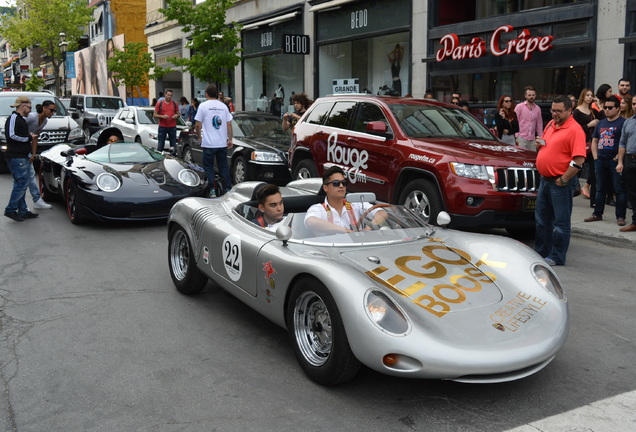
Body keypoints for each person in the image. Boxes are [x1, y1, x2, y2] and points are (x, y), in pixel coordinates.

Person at [534, 95, 586, 266]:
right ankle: (542, 252)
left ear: (569, 110)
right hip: (545, 180)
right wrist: (539, 145)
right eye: (552, 110)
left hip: (559, 182)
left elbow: (578, 160)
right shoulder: (550, 124)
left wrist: (564, 180)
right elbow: (547, 145)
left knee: (561, 222)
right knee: (542, 219)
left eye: (558, 111)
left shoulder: (575, 130)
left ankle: (557, 256)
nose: (554, 114)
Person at [583, 96, 627, 226]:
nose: (607, 110)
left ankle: (620, 216)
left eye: (610, 108)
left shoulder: (623, 123)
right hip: (601, 160)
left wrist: (619, 158)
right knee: (600, 188)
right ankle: (597, 213)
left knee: (619, 189)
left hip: (615, 161)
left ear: (618, 108)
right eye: (605, 107)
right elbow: (595, 140)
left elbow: (625, 142)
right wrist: (596, 157)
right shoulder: (601, 123)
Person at [304, 166, 386, 234]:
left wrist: (369, 228)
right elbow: (311, 222)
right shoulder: (317, 208)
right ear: (325, 188)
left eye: (344, 183)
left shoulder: (356, 204)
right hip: (329, 251)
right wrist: (346, 231)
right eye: (336, 183)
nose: (341, 186)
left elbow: (382, 213)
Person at [3, 96, 39, 222]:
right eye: (29, 107)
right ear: (22, 106)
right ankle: (10, 209)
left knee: (22, 183)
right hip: (16, 156)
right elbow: (11, 135)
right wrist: (29, 138)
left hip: (21, 156)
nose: (30, 110)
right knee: (21, 184)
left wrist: (28, 137)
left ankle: (23, 211)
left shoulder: (20, 119)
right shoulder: (14, 118)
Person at [194, 84, 233, 197]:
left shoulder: (203, 106)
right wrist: (230, 139)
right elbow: (229, 124)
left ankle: (212, 189)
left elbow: (197, 124)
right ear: (217, 94)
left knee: (209, 167)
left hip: (209, 144)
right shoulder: (223, 106)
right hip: (221, 143)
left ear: (206, 94)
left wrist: (199, 137)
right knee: (223, 166)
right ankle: (227, 188)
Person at [24, 100, 57, 210]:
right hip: (19, 148)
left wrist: (34, 154)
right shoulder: (32, 117)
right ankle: (21, 205)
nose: (52, 113)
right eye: (51, 110)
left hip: (26, 149)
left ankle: (35, 201)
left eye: (54, 111)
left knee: (29, 175)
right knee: (22, 178)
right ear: (44, 108)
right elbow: (17, 127)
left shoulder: (44, 122)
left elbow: (35, 138)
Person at [572, 88, 601, 205]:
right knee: (576, 170)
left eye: (591, 95)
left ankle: (593, 200)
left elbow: (604, 117)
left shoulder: (593, 110)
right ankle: (571, 192)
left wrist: (598, 104)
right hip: (581, 144)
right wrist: (589, 125)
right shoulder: (577, 112)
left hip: (593, 144)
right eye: (588, 95)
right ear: (583, 96)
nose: (590, 97)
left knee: (594, 172)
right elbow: (574, 130)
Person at [616, 97, 636, 232]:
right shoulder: (628, 122)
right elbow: (622, 143)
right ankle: (635, 221)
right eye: (634, 103)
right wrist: (620, 162)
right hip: (630, 160)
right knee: (633, 193)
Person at [515, 86, 544, 151]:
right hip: (521, 137)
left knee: (531, 157)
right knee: (521, 157)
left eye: (533, 95)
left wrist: (541, 137)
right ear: (525, 96)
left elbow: (539, 124)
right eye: (529, 95)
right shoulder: (519, 107)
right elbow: (515, 120)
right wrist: (516, 135)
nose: (531, 97)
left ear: (535, 95)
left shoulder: (537, 108)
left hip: (532, 138)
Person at [153, 89, 179, 153]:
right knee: (161, 144)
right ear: (165, 95)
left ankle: (173, 158)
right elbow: (155, 115)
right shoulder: (160, 103)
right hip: (163, 126)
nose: (169, 97)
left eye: (171, 95)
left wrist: (176, 115)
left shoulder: (174, 103)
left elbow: (178, 114)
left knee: (173, 145)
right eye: (168, 95)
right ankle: (160, 156)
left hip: (172, 126)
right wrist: (162, 116)